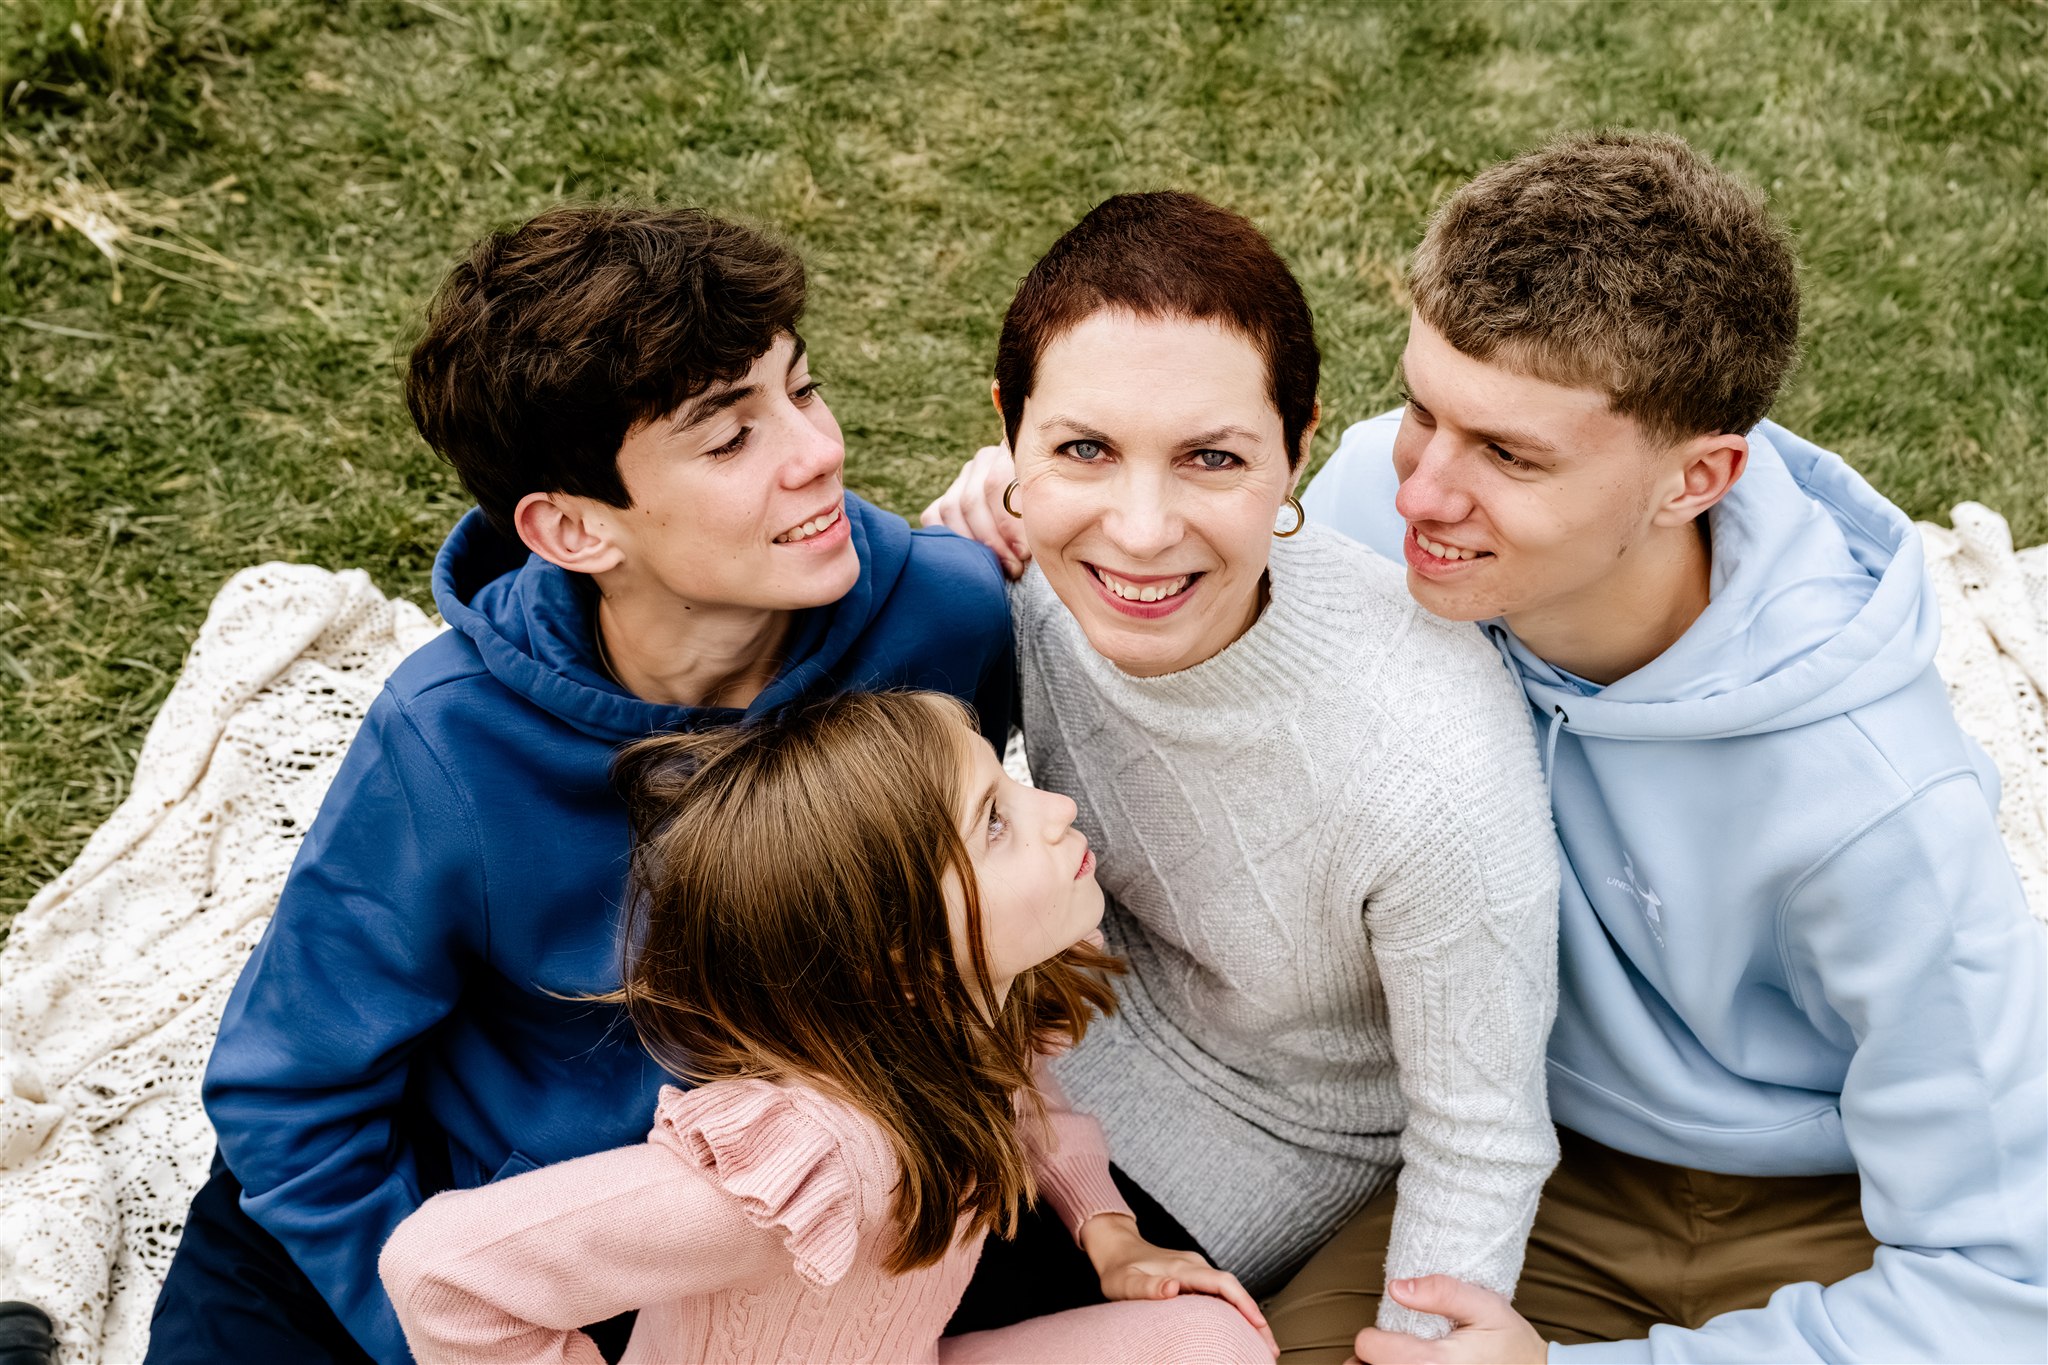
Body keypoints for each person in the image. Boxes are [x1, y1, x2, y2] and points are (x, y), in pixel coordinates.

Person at [146, 206, 1015, 1365]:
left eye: (799, 391)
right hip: (439, 1215)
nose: (817, 452)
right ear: (569, 528)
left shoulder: (946, 620)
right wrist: (455, 1338)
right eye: (727, 439)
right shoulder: (442, 738)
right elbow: (289, 1099)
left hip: (771, 1207)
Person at [1271, 133, 2046, 1363]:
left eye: (1510, 454)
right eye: (1423, 407)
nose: (1421, 490)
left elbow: (2003, 1288)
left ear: (1698, 478)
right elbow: (1180, 541)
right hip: (1529, 1154)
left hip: (1821, 1214)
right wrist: (1027, 501)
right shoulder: (1379, 505)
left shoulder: (1877, 801)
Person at [924, 191, 1562, 1343]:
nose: (1139, 530)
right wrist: (942, 560)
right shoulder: (1011, 569)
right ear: (1010, 429)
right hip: (1022, 1038)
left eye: (1211, 458)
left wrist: (1417, 1345)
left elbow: (1481, 1135)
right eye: (1084, 448)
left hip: (1244, 1142)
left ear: (1299, 447)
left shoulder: (1431, 769)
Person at [378, 690, 1278, 1364]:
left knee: (1214, 1341)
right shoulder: (822, 1157)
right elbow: (441, 1272)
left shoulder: (963, 1020)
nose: (1058, 810)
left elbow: (1027, 1098)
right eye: (995, 820)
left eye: (1010, 778)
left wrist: (1108, 1231)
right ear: (902, 948)